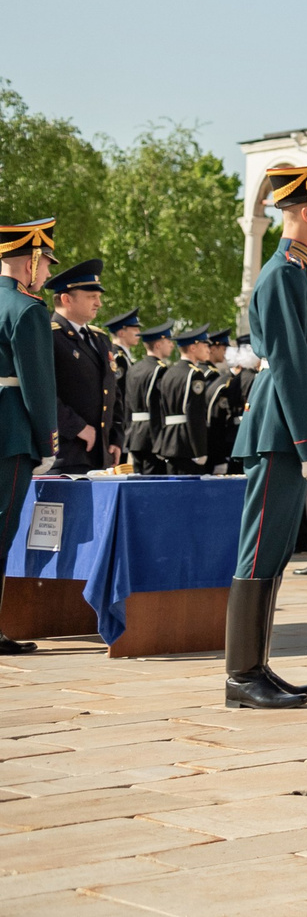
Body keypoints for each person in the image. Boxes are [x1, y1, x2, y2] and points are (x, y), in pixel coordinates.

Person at [229, 163, 307, 707]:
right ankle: (240, 675)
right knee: (258, 552)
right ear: (305, 212)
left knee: (272, 552)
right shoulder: (281, 274)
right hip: (280, 427)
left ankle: (257, 665)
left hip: (290, 422)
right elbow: (292, 363)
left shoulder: (300, 271)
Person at [1, 220, 63, 656]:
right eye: (44, 266)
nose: (45, 277)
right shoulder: (26, 309)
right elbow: (38, 385)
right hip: (10, 433)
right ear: (31, 260)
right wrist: (47, 443)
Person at [45, 259, 116, 473]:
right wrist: (77, 428)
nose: (98, 303)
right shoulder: (49, 336)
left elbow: (113, 391)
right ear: (67, 299)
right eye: (91, 297)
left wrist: (115, 438)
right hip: (66, 453)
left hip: (101, 455)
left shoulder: (100, 338)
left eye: (99, 297)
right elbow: (41, 393)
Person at [156, 327, 239, 477]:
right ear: (193, 348)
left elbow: (161, 409)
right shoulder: (194, 374)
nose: (208, 349)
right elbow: (194, 415)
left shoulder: (169, 372)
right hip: (186, 443)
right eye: (204, 345)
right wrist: (199, 450)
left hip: (168, 442)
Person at [122, 320, 176, 474]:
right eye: (168, 341)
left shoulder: (134, 368)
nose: (172, 345)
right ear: (158, 345)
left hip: (135, 435)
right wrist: (161, 442)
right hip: (152, 437)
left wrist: (128, 434)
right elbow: (158, 408)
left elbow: (127, 404)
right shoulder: (159, 370)